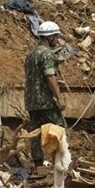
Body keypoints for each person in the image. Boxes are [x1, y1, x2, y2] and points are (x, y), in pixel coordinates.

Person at [24, 21, 66, 167]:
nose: (58, 40)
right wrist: (59, 98)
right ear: (50, 37)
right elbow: (50, 76)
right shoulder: (47, 54)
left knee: (36, 132)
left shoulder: (31, 54)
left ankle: (38, 165)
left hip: (31, 101)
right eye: (56, 36)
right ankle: (61, 162)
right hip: (45, 100)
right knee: (59, 128)